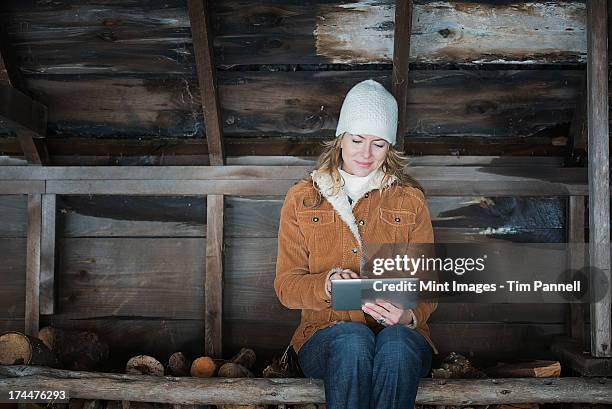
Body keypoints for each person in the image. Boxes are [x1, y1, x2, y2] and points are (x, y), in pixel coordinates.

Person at [274, 79, 437, 409]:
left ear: (390, 146)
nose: (366, 153)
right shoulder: (302, 198)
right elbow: (286, 286)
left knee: (395, 344)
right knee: (353, 339)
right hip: (323, 335)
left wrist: (408, 316)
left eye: (378, 144)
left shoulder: (411, 201)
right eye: (357, 140)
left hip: (402, 338)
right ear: (341, 138)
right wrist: (327, 285)